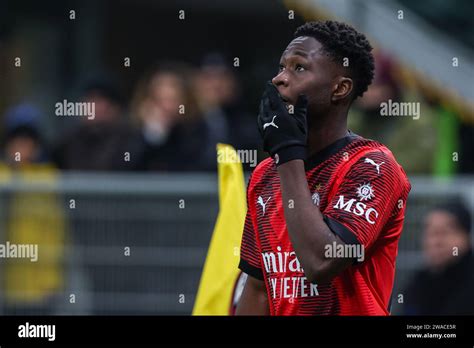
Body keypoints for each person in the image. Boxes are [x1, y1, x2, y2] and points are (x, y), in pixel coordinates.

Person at [235, 20, 411, 315]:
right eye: (281, 67)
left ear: (340, 88)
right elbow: (258, 289)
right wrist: (284, 158)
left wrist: (288, 156)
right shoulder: (265, 174)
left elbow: (321, 262)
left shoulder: (373, 166)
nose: (279, 78)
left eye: (298, 68)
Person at [403, 202, 474, 315]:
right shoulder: (417, 285)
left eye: (444, 233)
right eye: (430, 233)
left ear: (466, 236)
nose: (435, 242)